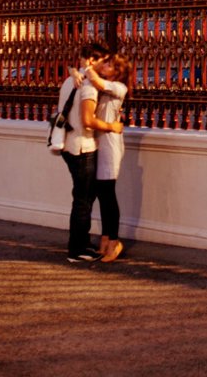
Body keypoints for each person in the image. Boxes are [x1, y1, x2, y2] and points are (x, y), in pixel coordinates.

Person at [58, 42, 109, 262]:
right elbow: (87, 121)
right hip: (83, 147)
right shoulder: (87, 85)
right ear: (91, 61)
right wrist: (111, 126)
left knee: (81, 197)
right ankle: (77, 249)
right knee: (84, 199)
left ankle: (80, 243)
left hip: (68, 145)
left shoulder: (69, 81)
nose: (104, 66)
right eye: (102, 61)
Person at [82, 54, 133, 263]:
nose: (105, 66)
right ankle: (104, 238)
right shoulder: (103, 88)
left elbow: (95, 80)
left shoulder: (119, 88)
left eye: (110, 65)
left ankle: (113, 241)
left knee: (108, 193)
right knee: (102, 194)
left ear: (118, 72)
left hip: (110, 144)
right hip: (98, 141)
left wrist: (87, 67)